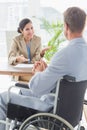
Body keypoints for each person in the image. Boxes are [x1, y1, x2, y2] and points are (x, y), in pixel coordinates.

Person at [0, 7, 87, 130]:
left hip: (51, 111)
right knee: (22, 91)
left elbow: (36, 88)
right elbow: (67, 80)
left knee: (4, 97)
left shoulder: (64, 54)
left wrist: (38, 73)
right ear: (83, 25)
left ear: (66, 26)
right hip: (71, 113)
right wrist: (47, 72)